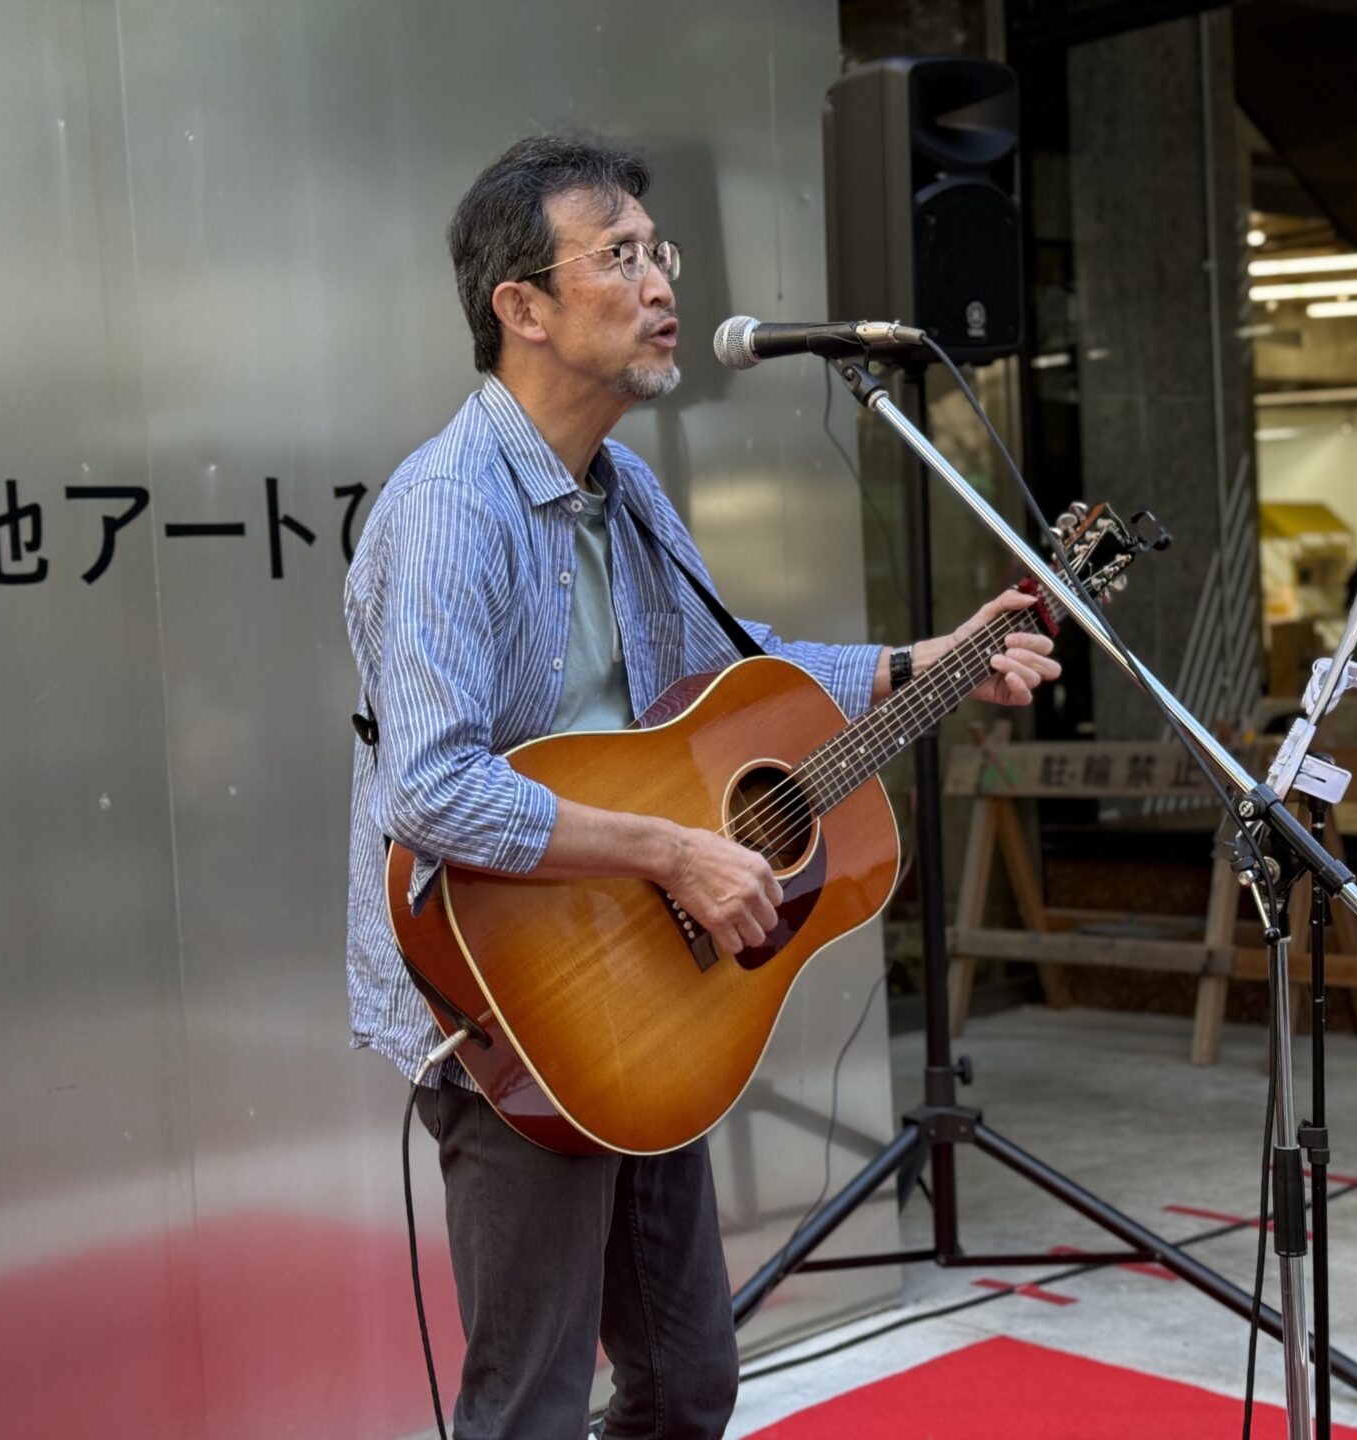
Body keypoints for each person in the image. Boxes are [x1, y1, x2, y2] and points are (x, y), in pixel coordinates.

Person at [342, 135, 1060, 1440]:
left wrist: (928, 661)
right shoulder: (448, 508)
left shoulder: (626, 491)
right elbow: (430, 794)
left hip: (653, 990)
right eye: (618, 255)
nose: (663, 281)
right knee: (530, 1407)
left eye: (658, 250)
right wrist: (672, 853)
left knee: (686, 1388)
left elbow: (744, 675)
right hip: (513, 999)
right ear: (523, 307)